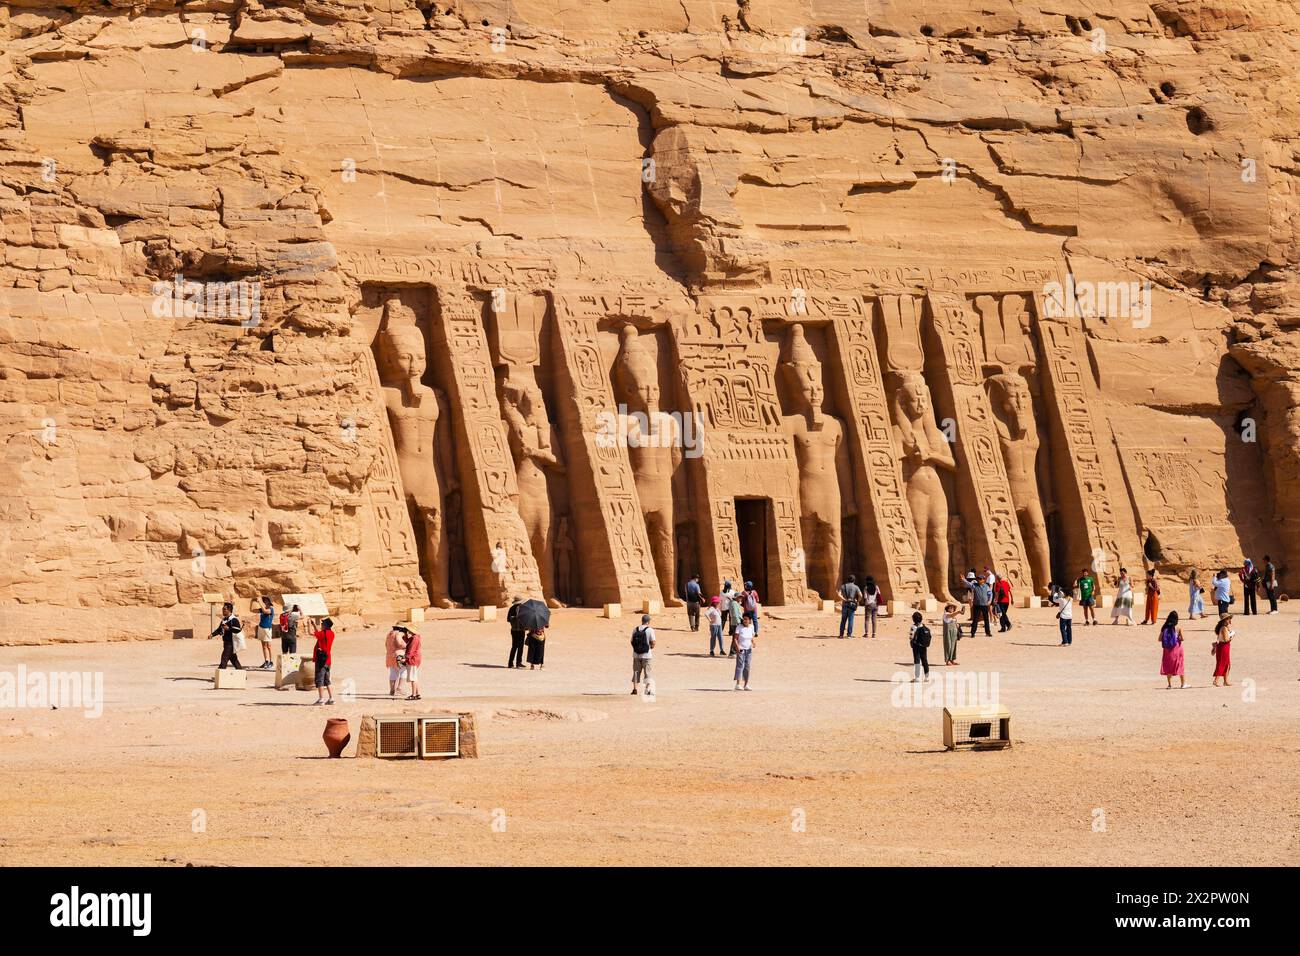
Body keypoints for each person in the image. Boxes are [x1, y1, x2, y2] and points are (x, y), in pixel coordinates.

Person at [211, 602, 244, 670]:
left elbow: (238, 630)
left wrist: (228, 629)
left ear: (229, 610)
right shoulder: (224, 619)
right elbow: (219, 629)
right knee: (234, 660)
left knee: (224, 658)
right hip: (226, 642)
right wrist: (212, 634)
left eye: (224, 609)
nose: (223, 610)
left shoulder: (234, 620)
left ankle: (221, 674)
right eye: (223, 609)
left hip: (231, 643)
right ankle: (242, 675)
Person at [1158, 611, 1185, 689]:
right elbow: (1182, 638)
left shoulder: (1164, 627)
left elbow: (1159, 639)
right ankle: (1183, 684)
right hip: (1177, 649)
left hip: (1167, 650)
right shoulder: (1178, 628)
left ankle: (1170, 685)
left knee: (1168, 666)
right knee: (1180, 665)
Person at [312, 617, 336, 705]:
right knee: (327, 680)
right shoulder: (331, 633)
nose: (321, 625)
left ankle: (321, 699)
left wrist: (309, 624)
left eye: (322, 624)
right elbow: (319, 633)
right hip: (328, 659)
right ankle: (331, 698)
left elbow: (313, 633)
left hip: (321, 660)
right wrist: (314, 624)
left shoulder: (322, 634)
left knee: (320, 679)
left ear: (325, 626)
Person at [630, 614, 655, 695]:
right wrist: (650, 647)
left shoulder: (635, 629)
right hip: (647, 655)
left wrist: (637, 649)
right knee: (647, 673)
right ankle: (647, 690)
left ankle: (635, 689)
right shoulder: (650, 630)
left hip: (636, 655)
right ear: (648, 621)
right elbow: (653, 642)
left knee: (636, 672)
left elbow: (631, 641)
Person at [732, 612, 756, 691]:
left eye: (746, 619)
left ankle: (746, 684)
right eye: (744, 619)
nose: (745, 621)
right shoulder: (739, 627)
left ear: (749, 620)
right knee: (740, 666)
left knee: (747, 667)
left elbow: (752, 637)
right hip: (741, 649)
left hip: (748, 650)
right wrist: (737, 646)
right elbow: (735, 638)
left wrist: (753, 643)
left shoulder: (752, 627)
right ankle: (738, 684)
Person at [908, 611, 932, 683]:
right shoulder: (924, 627)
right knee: (925, 660)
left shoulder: (913, 627)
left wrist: (911, 642)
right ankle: (927, 677)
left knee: (917, 660)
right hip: (923, 646)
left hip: (916, 646)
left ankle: (917, 677)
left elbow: (911, 636)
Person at [1211, 614, 1233, 687]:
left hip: (1223, 647)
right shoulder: (1224, 628)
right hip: (1224, 647)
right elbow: (1226, 639)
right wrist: (1232, 636)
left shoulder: (1224, 627)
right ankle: (1216, 681)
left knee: (1226, 664)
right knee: (1223, 664)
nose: (1229, 620)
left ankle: (1225, 681)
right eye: (1228, 619)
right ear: (1224, 621)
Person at [386, 625, 409, 697]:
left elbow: (386, 645)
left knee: (393, 672)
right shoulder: (398, 633)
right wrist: (407, 645)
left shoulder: (389, 634)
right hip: (399, 655)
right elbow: (399, 643)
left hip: (389, 656)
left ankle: (392, 690)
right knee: (404, 671)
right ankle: (400, 688)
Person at [506, 595, 526, 669]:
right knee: (520, 647)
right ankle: (518, 663)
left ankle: (510, 663)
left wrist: (513, 620)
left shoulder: (511, 608)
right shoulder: (521, 608)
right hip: (520, 630)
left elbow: (508, 619)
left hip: (513, 630)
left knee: (514, 646)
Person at [838, 574, 861, 639]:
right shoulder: (856, 587)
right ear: (854, 580)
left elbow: (839, 594)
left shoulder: (843, 586)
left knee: (843, 620)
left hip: (845, 604)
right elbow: (860, 595)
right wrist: (857, 601)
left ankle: (841, 635)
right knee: (851, 620)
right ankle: (849, 635)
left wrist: (844, 599)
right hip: (852, 605)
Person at [255, 597, 276, 668]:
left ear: (269, 602)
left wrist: (260, 602)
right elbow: (251, 610)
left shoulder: (271, 609)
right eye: (264, 601)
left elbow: (264, 611)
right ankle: (266, 661)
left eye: (265, 600)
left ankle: (271, 661)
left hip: (267, 629)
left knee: (269, 646)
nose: (264, 602)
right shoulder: (262, 609)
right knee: (263, 646)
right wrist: (252, 602)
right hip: (261, 628)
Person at [404, 627, 423, 701]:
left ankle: (414, 694)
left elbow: (411, 650)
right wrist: (405, 635)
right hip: (415, 659)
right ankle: (417, 693)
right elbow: (407, 642)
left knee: (413, 677)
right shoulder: (415, 637)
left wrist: (406, 658)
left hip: (413, 659)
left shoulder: (414, 638)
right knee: (414, 676)